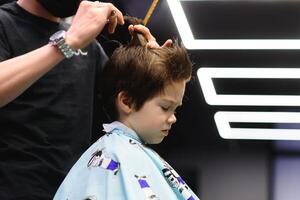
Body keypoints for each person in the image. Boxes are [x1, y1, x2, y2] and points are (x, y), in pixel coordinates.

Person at [0, 0, 172, 199]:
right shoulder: (5, 23)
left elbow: (129, 105)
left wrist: (152, 71)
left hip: (73, 191)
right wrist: (69, 41)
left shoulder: (89, 46)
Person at [53, 32, 200, 200]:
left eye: (175, 109)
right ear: (127, 101)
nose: (173, 118)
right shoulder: (112, 156)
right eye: (165, 107)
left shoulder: (127, 152)